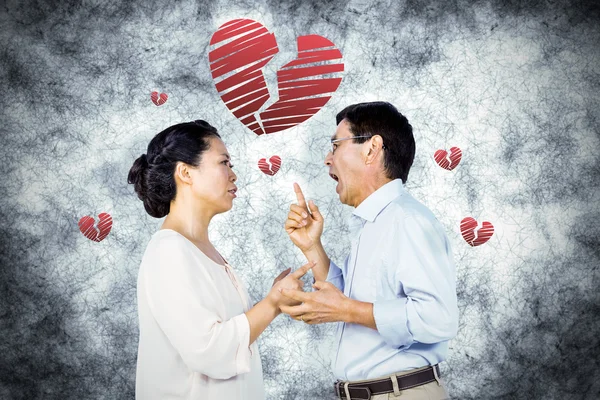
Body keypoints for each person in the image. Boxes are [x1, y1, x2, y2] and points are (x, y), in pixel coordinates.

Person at [280, 102, 459, 399]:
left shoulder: (407, 220)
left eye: (335, 145)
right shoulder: (374, 222)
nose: (327, 159)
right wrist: (312, 246)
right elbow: (349, 300)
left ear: (371, 149)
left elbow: (439, 317)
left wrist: (346, 309)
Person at [127, 120, 314, 400]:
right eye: (224, 162)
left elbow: (229, 338)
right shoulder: (169, 251)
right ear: (185, 173)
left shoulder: (200, 249)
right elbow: (209, 351)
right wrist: (272, 302)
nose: (233, 175)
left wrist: (276, 303)